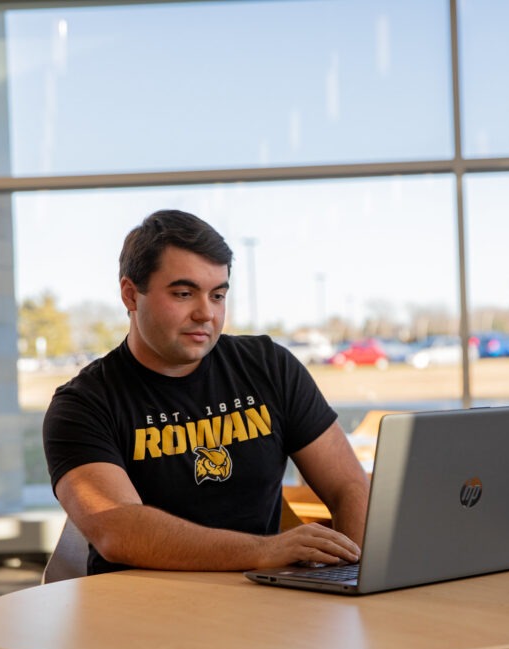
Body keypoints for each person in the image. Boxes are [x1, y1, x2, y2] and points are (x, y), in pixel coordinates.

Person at [43, 209, 369, 575]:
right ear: (131, 295)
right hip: (141, 603)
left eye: (217, 295)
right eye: (184, 293)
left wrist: (352, 576)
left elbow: (349, 486)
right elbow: (118, 529)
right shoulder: (83, 404)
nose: (206, 313)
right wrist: (264, 551)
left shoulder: (269, 367)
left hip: (264, 600)